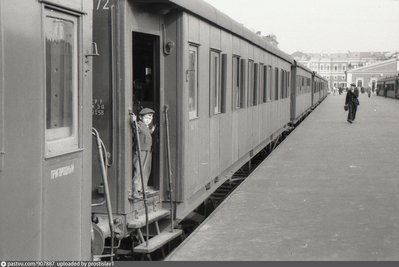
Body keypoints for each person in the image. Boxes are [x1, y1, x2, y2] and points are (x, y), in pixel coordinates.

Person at [131, 108, 156, 198]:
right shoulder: (139, 125)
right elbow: (135, 128)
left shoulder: (145, 127)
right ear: (141, 117)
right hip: (140, 151)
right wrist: (134, 121)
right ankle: (135, 191)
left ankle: (142, 188)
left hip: (147, 151)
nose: (148, 120)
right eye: (146, 118)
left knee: (146, 170)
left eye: (150, 118)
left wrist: (151, 130)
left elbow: (146, 133)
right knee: (139, 170)